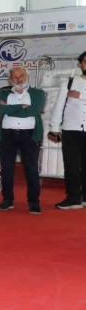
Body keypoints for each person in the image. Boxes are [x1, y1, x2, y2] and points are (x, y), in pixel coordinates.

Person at [0, 67, 45, 214]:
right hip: (7, 135)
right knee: (7, 169)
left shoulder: (38, 93)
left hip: (30, 135)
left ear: (27, 76)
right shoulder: (3, 93)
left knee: (31, 169)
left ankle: (34, 202)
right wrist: (21, 106)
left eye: (21, 75)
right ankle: (7, 200)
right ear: (10, 79)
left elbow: (35, 110)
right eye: (15, 76)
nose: (19, 79)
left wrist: (10, 109)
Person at [48, 51, 86, 209]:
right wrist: (54, 128)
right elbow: (58, 106)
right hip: (71, 130)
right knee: (71, 166)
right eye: (85, 62)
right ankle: (73, 198)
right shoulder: (69, 83)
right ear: (81, 64)